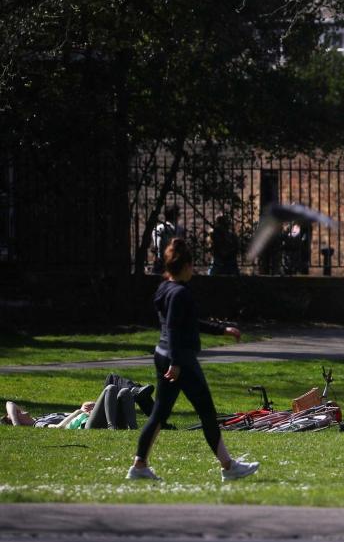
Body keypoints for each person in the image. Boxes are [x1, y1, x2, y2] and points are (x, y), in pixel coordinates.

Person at [128, 238, 259, 482]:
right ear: (186, 266)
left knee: (159, 414)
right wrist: (177, 363)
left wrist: (222, 330)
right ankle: (229, 467)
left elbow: (185, 324)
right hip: (181, 360)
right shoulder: (180, 293)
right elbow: (177, 329)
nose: (194, 270)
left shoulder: (164, 289)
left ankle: (139, 465)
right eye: (192, 266)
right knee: (207, 413)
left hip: (162, 353)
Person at [4, 382, 148, 429]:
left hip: (91, 418)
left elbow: (10, 403)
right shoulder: (39, 424)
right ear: (15, 419)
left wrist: (90, 407)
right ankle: (112, 428)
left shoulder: (42, 416)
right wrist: (78, 411)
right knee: (110, 387)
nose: (21, 411)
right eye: (18, 413)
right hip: (86, 426)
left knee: (123, 392)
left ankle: (134, 429)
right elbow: (59, 428)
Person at [151, 204, 185, 274]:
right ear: (176, 215)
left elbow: (157, 245)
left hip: (162, 263)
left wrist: (158, 259)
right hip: (176, 263)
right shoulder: (180, 230)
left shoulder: (159, 228)